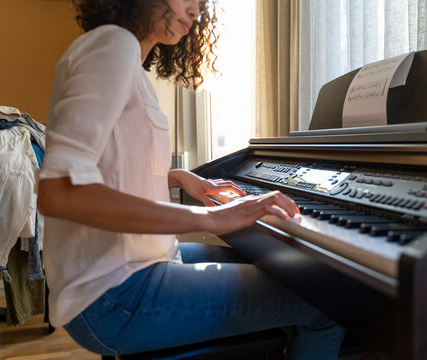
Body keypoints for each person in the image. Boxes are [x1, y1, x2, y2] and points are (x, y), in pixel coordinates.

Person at [37, 0, 345, 358]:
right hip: (114, 294)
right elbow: (59, 193)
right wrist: (211, 217)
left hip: (131, 270)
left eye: (201, 2)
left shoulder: (123, 57)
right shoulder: (114, 46)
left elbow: (108, 167)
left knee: (281, 268)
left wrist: (176, 177)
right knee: (326, 303)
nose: (197, 10)